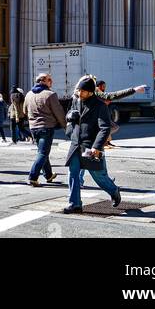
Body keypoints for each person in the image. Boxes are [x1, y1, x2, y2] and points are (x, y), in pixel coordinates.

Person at [63, 78, 121, 214]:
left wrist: (96, 146)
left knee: (98, 175)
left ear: (90, 92)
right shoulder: (76, 101)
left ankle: (114, 190)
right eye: (78, 90)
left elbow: (105, 128)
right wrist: (69, 117)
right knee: (73, 173)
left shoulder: (100, 106)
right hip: (75, 144)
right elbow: (69, 115)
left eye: (82, 91)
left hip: (90, 146)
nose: (79, 92)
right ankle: (75, 204)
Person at [24, 73, 66, 186]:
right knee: (43, 153)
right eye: (49, 80)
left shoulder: (28, 94)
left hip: (33, 128)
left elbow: (24, 110)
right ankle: (33, 177)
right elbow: (59, 113)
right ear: (43, 81)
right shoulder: (50, 94)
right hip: (46, 127)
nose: (51, 82)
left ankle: (48, 175)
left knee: (42, 152)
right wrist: (65, 126)